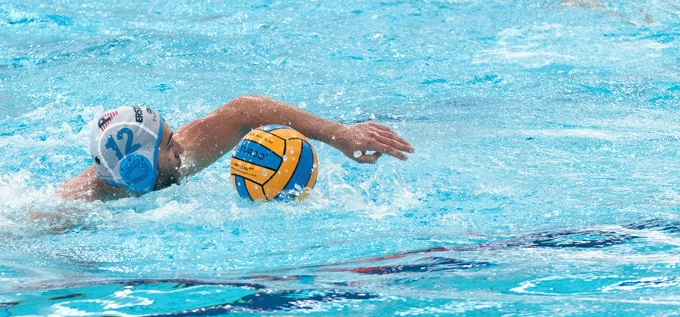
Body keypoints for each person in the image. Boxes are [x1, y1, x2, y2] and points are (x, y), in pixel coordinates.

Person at [58, 95, 414, 201]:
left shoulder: (167, 164)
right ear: (139, 169)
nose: (181, 146)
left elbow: (243, 112)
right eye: (168, 144)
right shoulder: (72, 208)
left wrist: (340, 135)